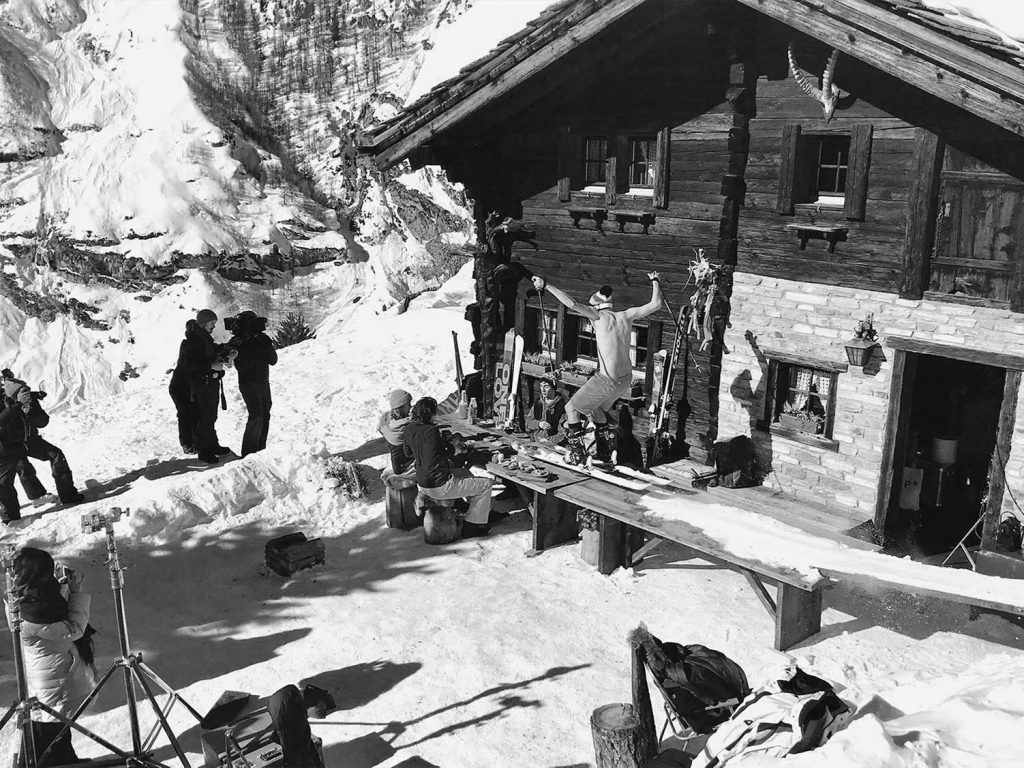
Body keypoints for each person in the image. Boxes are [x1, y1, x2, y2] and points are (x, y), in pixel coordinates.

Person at [531, 272, 662, 463]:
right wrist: (655, 281)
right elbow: (656, 304)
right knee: (597, 409)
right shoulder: (626, 315)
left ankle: (578, 454)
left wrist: (547, 285)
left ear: (596, 307)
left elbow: (572, 304)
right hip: (625, 380)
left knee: (571, 409)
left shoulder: (598, 317)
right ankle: (604, 452)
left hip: (607, 379)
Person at [7, 548, 96, 766]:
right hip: (56, 682)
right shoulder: (34, 614)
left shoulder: (23, 601)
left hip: (50, 677)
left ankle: (65, 760)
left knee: (52, 730)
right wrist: (77, 593)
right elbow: (73, 628)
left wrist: (63, 585)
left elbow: (52, 609)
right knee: (51, 732)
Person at [403, 397, 493, 538]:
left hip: (422, 481)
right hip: (438, 485)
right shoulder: (430, 431)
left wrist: (440, 443)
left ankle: (481, 513)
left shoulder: (409, 428)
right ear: (430, 413)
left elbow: (408, 453)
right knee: (486, 484)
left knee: (465, 472)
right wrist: (453, 449)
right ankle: (471, 527)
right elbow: (434, 457)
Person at [1, 372, 84, 507]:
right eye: (23, 391)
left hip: (31, 439)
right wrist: (18, 408)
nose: (27, 394)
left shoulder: (31, 402)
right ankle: (37, 497)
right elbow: (4, 424)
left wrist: (30, 412)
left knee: (56, 455)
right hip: (12, 444)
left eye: (27, 391)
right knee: (23, 467)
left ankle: (68, 495)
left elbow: (43, 421)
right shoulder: (6, 405)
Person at [169, 309, 235, 464]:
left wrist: (226, 355)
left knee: (209, 416)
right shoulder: (192, 342)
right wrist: (212, 365)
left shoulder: (203, 338)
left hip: (205, 383)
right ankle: (204, 451)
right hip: (194, 386)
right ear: (204, 323)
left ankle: (212, 445)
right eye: (212, 323)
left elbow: (210, 352)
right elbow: (192, 366)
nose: (214, 326)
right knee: (202, 417)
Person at [231, 311, 278, 457]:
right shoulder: (238, 341)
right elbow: (239, 364)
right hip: (248, 383)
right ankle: (248, 454)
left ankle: (260, 451)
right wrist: (249, 345)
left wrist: (265, 344)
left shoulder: (262, 340)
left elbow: (273, 360)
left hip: (263, 382)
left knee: (264, 414)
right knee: (256, 415)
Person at [0, 382, 31, 524]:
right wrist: (17, 404)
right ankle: (10, 517)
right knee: (4, 484)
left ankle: (11, 517)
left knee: (5, 483)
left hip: (8, 447)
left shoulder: (5, 398)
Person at [378, 389, 413, 474]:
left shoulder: (387, 420)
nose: (411, 406)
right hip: (405, 465)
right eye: (408, 404)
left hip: (396, 462)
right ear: (400, 407)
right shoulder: (403, 427)